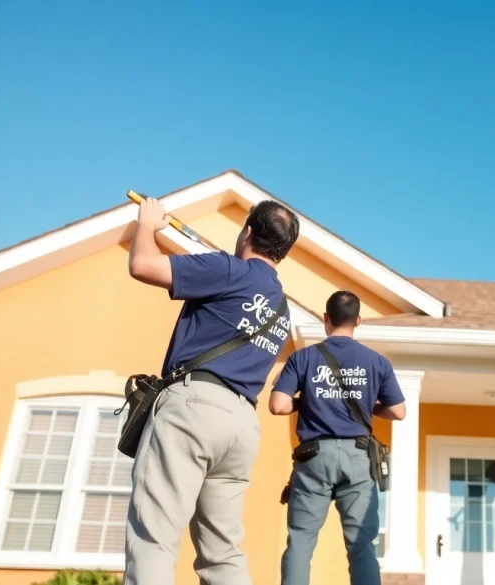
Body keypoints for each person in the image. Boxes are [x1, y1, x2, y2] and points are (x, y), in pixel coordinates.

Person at [124, 196, 300, 585]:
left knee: (154, 535)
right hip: (240, 426)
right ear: (283, 251)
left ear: (248, 231)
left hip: (195, 407)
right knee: (222, 553)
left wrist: (147, 224)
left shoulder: (230, 270)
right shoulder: (282, 309)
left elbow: (142, 265)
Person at [269, 290, 407, 585]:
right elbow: (398, 411)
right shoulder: (377, 362)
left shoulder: (303, 358)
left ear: (325, 319)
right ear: (358, 320)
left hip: (313, 457)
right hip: (358, 458)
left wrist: (307, 402)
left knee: (301, 542)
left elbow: (278, 405)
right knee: (361, 546)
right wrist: (368, 405)